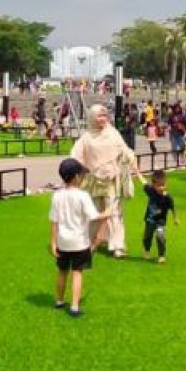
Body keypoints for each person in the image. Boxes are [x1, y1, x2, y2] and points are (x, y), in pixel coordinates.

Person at [70, 104, 143, 259]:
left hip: (112, 180)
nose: (103, 119)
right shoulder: (87, 137)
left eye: (104, 116)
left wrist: (133, 164)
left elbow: (125, 150)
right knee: (94, 212)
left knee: (115, 213)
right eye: (99, 116)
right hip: (93, 180)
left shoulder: (113, 133)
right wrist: (77, 171)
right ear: (92, 117)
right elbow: (75, 156)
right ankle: (89, 240)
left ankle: (117, 246)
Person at [50, 158, 114, 317]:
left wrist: (53, 243)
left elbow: (54, 221)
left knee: (62, 272)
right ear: (77, 177)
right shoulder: (83, 196)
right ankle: (74, 306)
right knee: (77, 273)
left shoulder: (56, 196)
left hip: (63, 243)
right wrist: (107, 213)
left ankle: (59, 300)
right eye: (82, 175)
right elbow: (93, 216)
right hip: (79, 243)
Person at [141, 170, 180, 263]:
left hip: (160, 222)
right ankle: (147, 251)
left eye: (163, 185)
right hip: (150, 220)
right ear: (153, 185)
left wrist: (176, 218)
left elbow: (173, 207)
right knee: (147, 237)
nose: (161, 188)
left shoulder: (167, 197)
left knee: (160, 236)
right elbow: (143, 182)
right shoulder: (151, 191)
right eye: (159, 186)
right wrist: (136, 170)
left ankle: (161, 255)